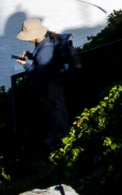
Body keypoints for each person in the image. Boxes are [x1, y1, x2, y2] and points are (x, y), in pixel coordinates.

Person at [12, 16, 80, 153]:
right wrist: (31, 55)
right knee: (58, 112)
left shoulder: (45, 51)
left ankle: (60, 144)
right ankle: (62, 140)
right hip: (54, 85)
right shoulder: (46, 42)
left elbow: (41, 75)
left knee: (55, 114)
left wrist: (25, 64)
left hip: (50, 88)